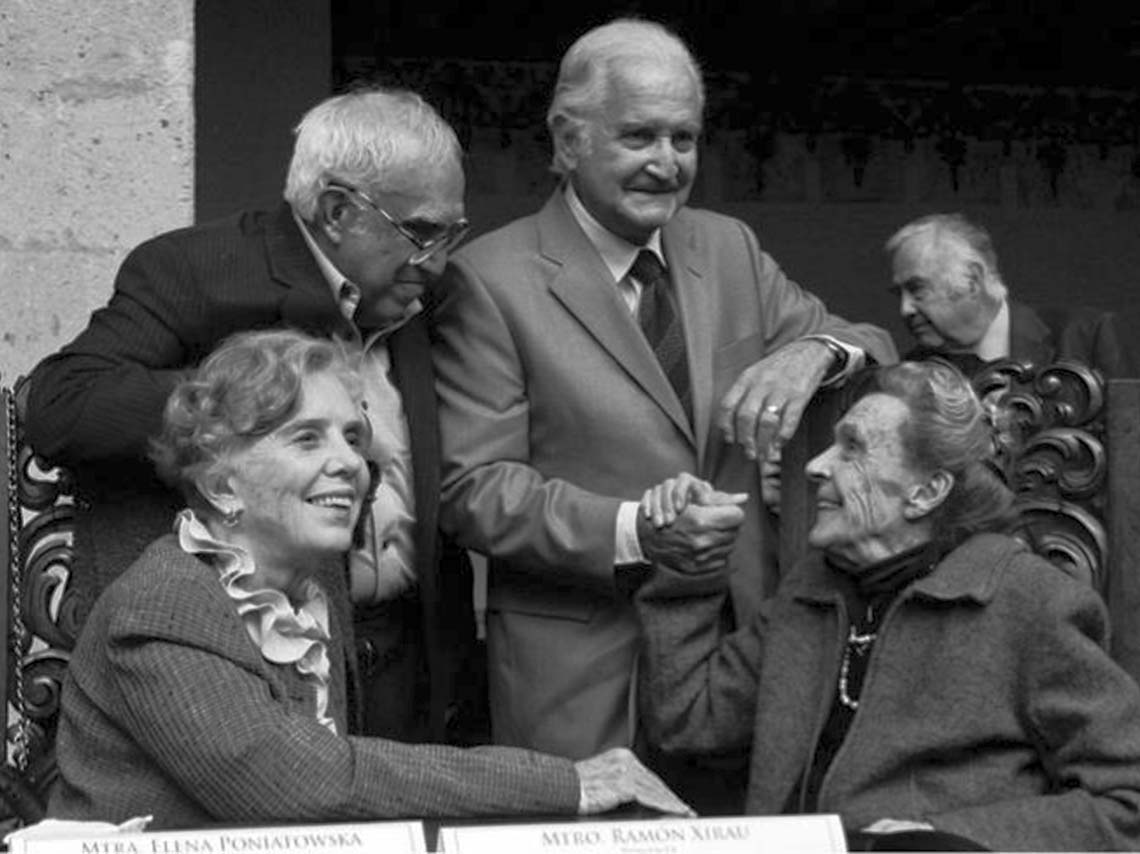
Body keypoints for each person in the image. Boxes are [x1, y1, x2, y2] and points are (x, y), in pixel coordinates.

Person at [430, 15, 897, 808]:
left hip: (743, 654)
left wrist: (813, 353)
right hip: (582, 670)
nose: (666, 163)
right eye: (640, 136)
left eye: (684, 139)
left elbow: (870, 340)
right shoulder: (488, 278)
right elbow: (471, 491)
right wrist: (636, 528)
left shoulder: (729, 249)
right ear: (568, 138)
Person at [47, 329, 691, 830]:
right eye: (307, 440)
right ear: (220, 483)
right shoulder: (163, 604)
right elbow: (297, 784)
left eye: (354, 439)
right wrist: (568, 784)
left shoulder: (313, 595)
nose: (352, 464)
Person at [23, 87, 481, 744]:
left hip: (414, 661)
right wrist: (259, 402)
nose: (437, 262)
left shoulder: (428, 298)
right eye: (422, 233)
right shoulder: (196, 270)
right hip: (247, 677)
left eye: (451, 234)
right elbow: (62, 406)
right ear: (336, 210)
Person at [635, 360, 1140, 851]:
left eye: (851, 449)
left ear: (926, 492)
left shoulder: (1028, 602)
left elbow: (1127, 802)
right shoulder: (812, 589)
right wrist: (690, 565)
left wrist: (947, 843)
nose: (815, 466)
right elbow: (689, 723)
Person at [886, 212, 1131, 378]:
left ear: (971, 281)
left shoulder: (1084, 338)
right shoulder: (910, 371)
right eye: (899, 294)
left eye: (917, 289)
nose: (905, 309)